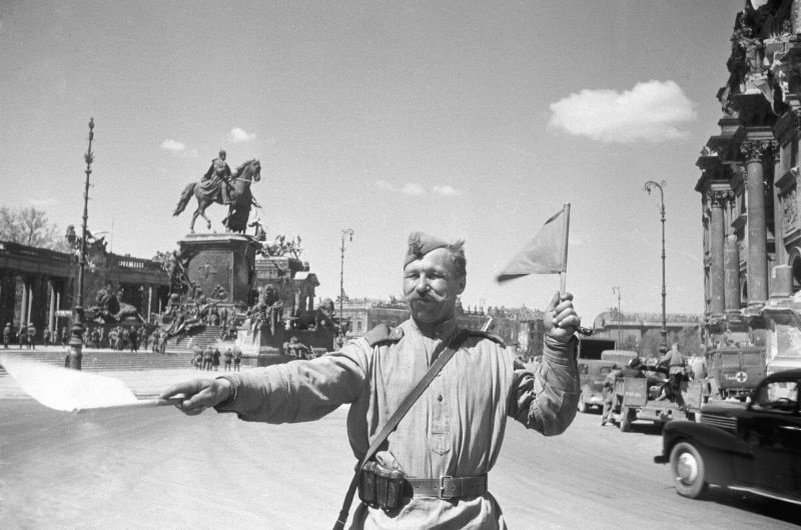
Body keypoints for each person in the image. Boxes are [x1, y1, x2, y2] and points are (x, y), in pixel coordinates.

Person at [162, 231, 581, 528]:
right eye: (412, 276)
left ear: (459, 283)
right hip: (388, 522)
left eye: (434, 276)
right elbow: (304, 381)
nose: (421, 286)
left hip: (471, 523)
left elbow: (549, 415)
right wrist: (232, 388)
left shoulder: (494, 358)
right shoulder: (375, 352)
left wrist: (559, 347)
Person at [659, 342, 687, 406]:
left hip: (673, 372)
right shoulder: (681, 354)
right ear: (678, 347)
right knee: (674, 387)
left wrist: (659, 363)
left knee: (674, 388)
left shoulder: (671, 352)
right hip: (680, 372)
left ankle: (681, 404)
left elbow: (665, 359)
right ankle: (672, 401)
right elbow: (684, 363)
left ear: (673, 347)